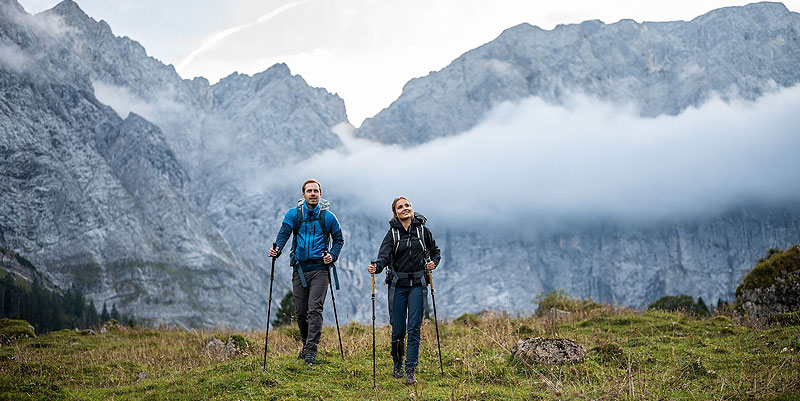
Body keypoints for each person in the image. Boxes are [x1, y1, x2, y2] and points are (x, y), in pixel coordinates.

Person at [269, 179, 344, 365]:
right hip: (300, 269)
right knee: (301, 312)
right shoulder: (294, 215)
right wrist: (277, 250)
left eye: (316, 191)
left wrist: (332, 256)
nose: (312, 194)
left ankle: (311, 351)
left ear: (320, 194)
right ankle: (305, 344)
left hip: (320, 269)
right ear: (303, 195)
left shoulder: (328, 217)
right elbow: (284, 233)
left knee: (314, 310)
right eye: (309, 191)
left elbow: (339, 240)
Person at [368, 196, 441, 385]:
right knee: (398, 330)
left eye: (407, 205)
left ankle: (411, 369)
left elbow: (435, 251)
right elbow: (383, 257)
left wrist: (434, 263)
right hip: (398, 286)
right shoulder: (392, 234)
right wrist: (376, 267)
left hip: (418, 284)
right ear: (395, 213)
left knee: (414, 328)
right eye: (401, 207)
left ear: (412, 208)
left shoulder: (423, 231)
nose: (405, 209)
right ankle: (397, 363)